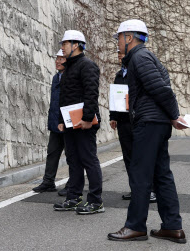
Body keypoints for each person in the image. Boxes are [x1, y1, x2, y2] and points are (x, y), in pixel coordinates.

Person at [107, 20, 187, 243]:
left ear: (129, 38)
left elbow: (161, 89)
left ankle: (135, 226)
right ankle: (172, 227)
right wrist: (169, 116)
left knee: (140, 175)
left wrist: (174, 116)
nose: (118, 43)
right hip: (157, 122)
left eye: (119, 38)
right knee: (161, 175)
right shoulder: (144, 57)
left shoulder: (140, 58)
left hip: (150, 123)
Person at [53, 30, 105, 215]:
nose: (62, 47)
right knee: (73, 160)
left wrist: (87, 119)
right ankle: (74, 197)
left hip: (84, 122)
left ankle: (96, 201)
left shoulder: (87, 65)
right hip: (70, 122)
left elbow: (91, 93)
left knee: (88, 159)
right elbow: (65, 97)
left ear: (76, 45)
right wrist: (61, 120)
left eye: (65, 43)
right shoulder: (69, 67)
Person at [110, 49, 157, 203]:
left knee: (142, 156)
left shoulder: (137, 70)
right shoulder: (119, 74)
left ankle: (150, 190)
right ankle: (136, 188)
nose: (119, 56)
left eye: (122, 54)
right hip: (123, 120)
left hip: (137, 119)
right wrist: (113, 117)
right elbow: (115, 97)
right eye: (118, 54)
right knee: (128, 156)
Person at [33, 49, 69, 196]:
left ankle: (72, 183)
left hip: (67, 122)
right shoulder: (56, 77)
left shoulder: (70, 76)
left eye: (61, 59)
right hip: (55, 122)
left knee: (71, 155)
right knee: (52, 152)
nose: (58, 61)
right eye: (57, 58)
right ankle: (48, 182)